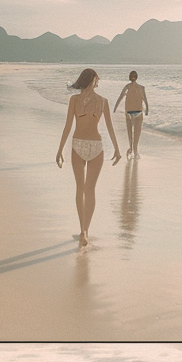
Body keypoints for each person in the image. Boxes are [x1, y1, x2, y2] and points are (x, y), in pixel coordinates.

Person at [56, 68, 122, 247]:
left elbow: (68, 126)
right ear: (93, 80)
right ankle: (85, 230)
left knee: (81, 189)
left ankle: (83, 230)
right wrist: (116, 149)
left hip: (78, 144)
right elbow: (109, 127)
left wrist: (60, 149)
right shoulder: (102, 101)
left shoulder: (75, 100)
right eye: (96, 79)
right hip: (95, 146)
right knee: (89, 190)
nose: (97, 82)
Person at [113, 71, 149, 159]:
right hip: (138, 112)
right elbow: (145, 99)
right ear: (137, 77)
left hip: (128, 112)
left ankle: (130, 149)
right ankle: (135, 151)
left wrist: (115, 108)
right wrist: (147, 109)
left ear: (129, 77)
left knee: (130, 133)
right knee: (137, 133)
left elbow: (120, 97)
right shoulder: (141, 88)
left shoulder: (127, 87)